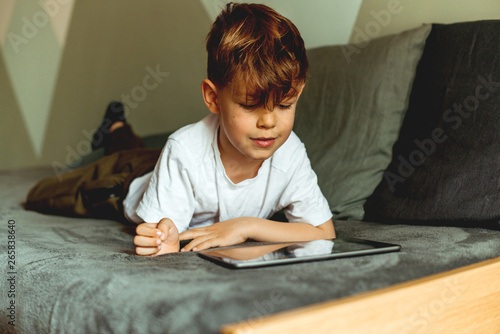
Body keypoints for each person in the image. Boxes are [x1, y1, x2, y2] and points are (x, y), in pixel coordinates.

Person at [25, 3, 335, 257]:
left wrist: (246, 226)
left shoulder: (290, 152)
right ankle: (114, 131)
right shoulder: (185, 150)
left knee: (135, 148)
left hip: (165, 164)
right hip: (129, 181)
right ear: (213, 98)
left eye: (284, 106)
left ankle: (116, 127)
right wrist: (164, 240)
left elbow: (323, 232)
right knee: (45, 194)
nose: (269, 122)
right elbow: (162, 234)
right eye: (251, 105)